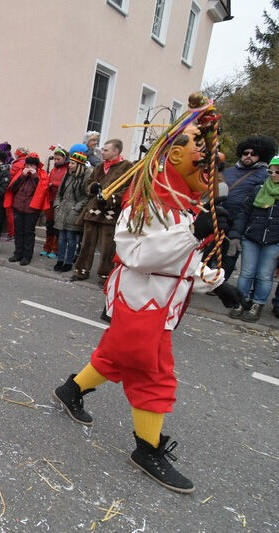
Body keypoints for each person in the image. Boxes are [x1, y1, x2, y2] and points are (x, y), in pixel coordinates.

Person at [52, 99, 228, 494]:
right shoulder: (146, 200)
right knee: (153, 374)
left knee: (115, 357)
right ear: (177, 155)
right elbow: (137, 255)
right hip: (140, 302)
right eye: (205, 159)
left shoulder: (186, 205)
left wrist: (209, 279)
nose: (212, 169)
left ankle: (71, 390)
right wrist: (193, 235)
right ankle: (146, 449)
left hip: (159, 303)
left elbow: (178, 259)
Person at [71, 139, 133, 285]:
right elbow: (89, 184)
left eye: (105, 150)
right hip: (93, 210)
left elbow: (128, 190)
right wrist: (92, 188)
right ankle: (81, 271)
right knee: (86, 243)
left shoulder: (127, 167)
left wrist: (111, 199)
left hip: (110, 213)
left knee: (107, 247)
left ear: (115, 151)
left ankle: (105, 275)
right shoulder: (99, 167)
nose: (102, 152)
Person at [227, 155, 279, 322]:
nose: (273, 175)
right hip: (251, 238)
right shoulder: (258, 189)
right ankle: (241, 302)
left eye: (278, 172)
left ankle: (257, 304)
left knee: (264, 275)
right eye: (271, 171)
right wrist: (235, 234)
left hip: (274, 242)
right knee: (246, 273)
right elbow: (244, 213)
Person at [220, 135, 277, 280]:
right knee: (212, 250)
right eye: (246, 153)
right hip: (220, 215)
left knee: (231, 251)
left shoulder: (265, 174)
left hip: (241, 219)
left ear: (261, 155)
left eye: (253, 154)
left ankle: (221, 283)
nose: (248, 156)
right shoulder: (229, 171)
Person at [53, 146, 91, 272]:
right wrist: (57, 205)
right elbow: (59, 193)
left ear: (79, 164)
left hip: (73, 212)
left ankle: (68, 262)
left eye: (73, 163)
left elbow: (87, 196)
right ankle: (60, 260)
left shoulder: (84, 177)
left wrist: (77, 207)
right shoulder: (67, 176)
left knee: (71, 239)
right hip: (62, 210)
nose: (70, 165)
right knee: (62, 239)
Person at [9, 153, 47, 265]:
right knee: (18, 231)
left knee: (29, 233)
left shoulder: (41, 175)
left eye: (32, 165)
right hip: (18, 206)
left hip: (32, 209)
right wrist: (22, 176)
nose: (29, 167)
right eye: (28, 165)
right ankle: (18, 253)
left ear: (36, 166)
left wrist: (35, 176)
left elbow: (41, 190)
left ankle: (27, 256)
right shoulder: (21, 173)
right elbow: (12, 188)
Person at [39, 146, 69, 259]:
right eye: (55, 159)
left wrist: (54, 184)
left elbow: (65, 185)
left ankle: (55, 249)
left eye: (58, 159)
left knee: (57, 227)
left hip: (60, 202)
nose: (56, 161)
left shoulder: (67, 170)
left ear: (64, 159)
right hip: (50, 200)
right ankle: (47, 247)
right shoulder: (53, 170)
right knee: (49, 225)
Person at [2, 147, 28, 241]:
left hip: (12, 190)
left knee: (10, 212)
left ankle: (12, 233)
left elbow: (11, 176)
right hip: (20, 192)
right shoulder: (25, 162)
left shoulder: (18, 163)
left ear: (18, 154)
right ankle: (15, 233)